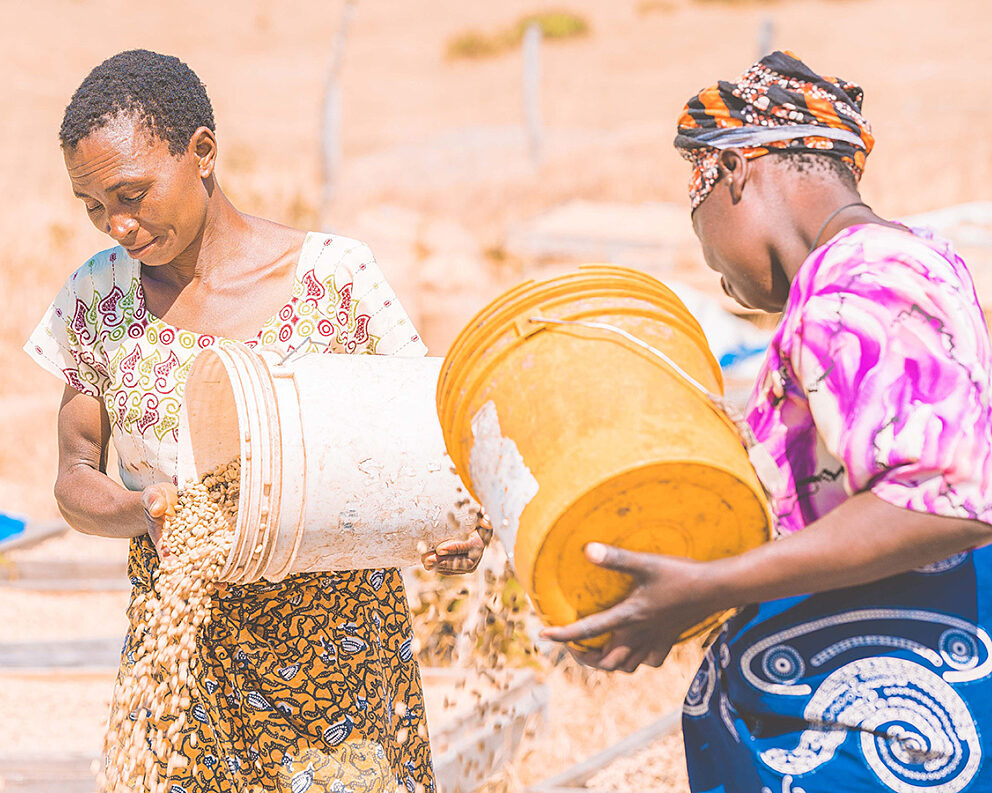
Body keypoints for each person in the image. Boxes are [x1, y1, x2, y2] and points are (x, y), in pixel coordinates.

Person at [25, 49, 487, 793]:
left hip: (339, 672)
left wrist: (458, 517)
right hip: (183, 668)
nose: (118, 224)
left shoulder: (336, 280)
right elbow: (74, 474)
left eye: (132, 193)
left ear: (202, 152)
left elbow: (432, 434)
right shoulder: (96, 299)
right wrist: (145, 511)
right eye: (93, 206)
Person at [542, 51, 992, 793]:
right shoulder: (888, 268)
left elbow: (945, 498)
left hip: (885, 740)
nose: (718, 273)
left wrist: (711, 584)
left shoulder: (860, 275)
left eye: (699, 234)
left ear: (736, 172)